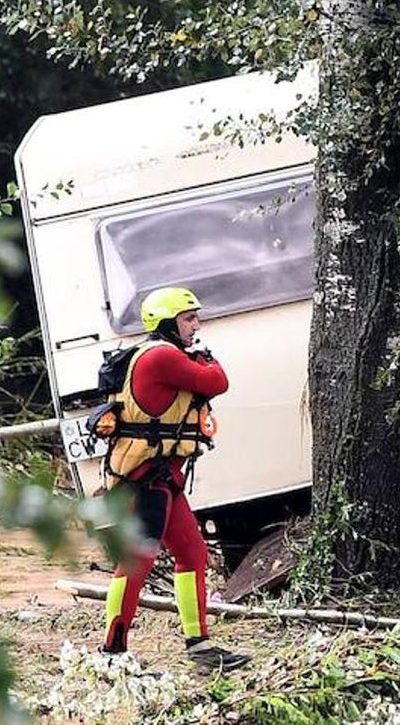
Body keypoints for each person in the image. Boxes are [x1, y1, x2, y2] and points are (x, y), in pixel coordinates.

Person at [99, 286, 250, 673]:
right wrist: (206, 360)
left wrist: (200, 358)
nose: (195, 325)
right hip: (145, 478)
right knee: (138, 560)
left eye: (195, 317)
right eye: (188, 319)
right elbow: (217, 381)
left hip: (163, 477)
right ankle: (113, 651)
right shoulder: (162, 356)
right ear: (166, 324)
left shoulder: (167, 353)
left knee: (193, 555)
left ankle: (199, 646)